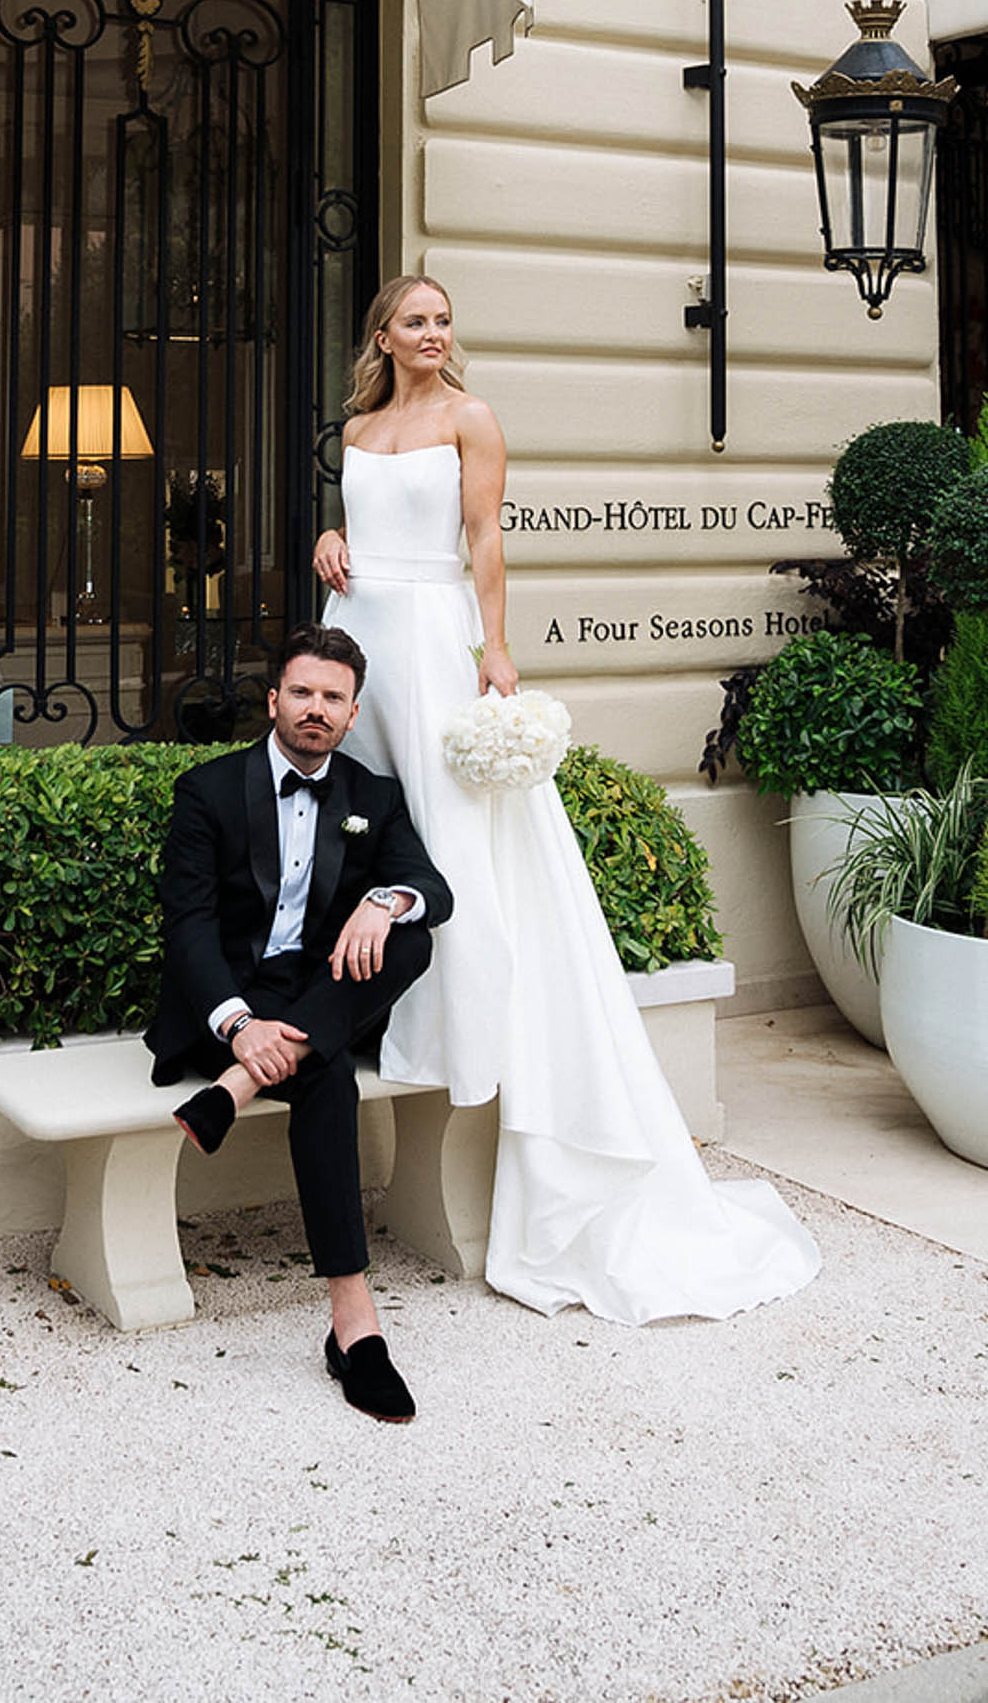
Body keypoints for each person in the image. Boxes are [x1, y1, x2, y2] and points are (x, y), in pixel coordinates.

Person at [315, 275, 821, 1324]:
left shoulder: (472, 416)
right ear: (381, 334)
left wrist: (496, 648)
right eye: (416, 319)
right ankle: (363, 1000)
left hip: (436, 634)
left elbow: (486, 539)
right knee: (364, 819)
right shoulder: (359, 426)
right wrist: (331, 551)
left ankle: (455, 1025)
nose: (434, 332)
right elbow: (360, 530)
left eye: (445, 318)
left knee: (451, 832)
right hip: (362, 629)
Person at [147, 621, 454, 1421]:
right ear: (274, 698)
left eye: (333, 698)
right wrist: (239, 1026)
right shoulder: (208, 791)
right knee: (326, 1079)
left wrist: (383, 902)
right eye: (303, 692)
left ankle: (235, 1090)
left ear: (353, 715)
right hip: (234, 1002)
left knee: (411, 938)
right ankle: (355, 1328)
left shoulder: (371, 798)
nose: (316, 709)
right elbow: (187, 926)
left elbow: (433, 888)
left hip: (315, 991)